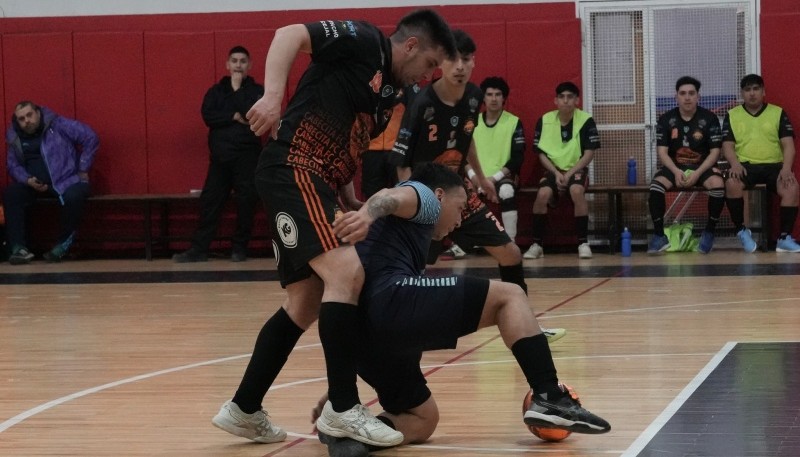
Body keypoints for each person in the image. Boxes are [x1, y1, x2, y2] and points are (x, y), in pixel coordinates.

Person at [210, 10, 456, 449]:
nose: (429, 76)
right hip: (293, 167)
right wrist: (271, 96)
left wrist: (350, 196)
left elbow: (348, 141)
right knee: (347, 273)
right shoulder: (363, 40)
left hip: (319, 181)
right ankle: (344, 406)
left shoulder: (391, 93)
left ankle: (243, 408)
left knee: (305, 302)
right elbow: (289, 34)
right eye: (430, 63)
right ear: (412, 45)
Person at [315, 162, 611, 457]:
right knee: (510, 295)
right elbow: (388, 196)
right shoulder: (426, 198)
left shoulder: (402, 233)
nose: (459, 221)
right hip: (391, 302)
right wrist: (366, 213)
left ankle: (351, 439)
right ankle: (549, 396)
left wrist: (341, 387)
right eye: (460, 208)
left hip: (366, 340)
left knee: (423, 419)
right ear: (441, 196)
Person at [391, 30, 565, 343]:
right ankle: (398, 327)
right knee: (412, 268)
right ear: (439, 63)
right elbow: (402, 161)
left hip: (460, 193)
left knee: (511, 253)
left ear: (473, 62)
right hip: (425, 197)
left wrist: (481, 178)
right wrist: (412, 202)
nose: (459, 65)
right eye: (452, 59)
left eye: (466, 59)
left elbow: (466, 138)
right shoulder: (422, 103)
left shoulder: (473, 96)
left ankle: (525, 325)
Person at [173, 46, 264, 263]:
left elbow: (252, 114)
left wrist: (238, 89)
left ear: (249, 65)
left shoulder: (257, 91)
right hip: (220, 159)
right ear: (227, 64)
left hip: (247, 157)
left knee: (246, 202)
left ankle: (239, 248)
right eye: (234, 61)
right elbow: (208, 116)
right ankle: (199, 249)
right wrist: (233, 116)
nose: (238, 65)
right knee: (210, 201)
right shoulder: (215, 92)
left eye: (243, 61)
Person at [4, 101, 99, 264]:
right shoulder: (15, 137)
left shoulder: (58, 124)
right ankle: (19, 248)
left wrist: (83, 167)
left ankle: (62, 245)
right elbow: (12, 165)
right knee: (11, 194)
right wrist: (27, 179)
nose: (26, 121)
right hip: (35, 185)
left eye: (29, 115)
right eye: (21, 118)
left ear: (38, 113)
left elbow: (91, 137)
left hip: (67, 180)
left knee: (74, 197)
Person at [722, 74, 800, 253]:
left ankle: (784, 238)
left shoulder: (777, 113)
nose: (752, 94)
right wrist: (734, 163)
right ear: (742, 93)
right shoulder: (732, 115)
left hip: (774, 166)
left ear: (763, 92)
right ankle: (741, 230)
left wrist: (786, 169)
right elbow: (727, 145)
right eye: (747, 90)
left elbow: (789, 146)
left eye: (756, 89)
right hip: (745, 166)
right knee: (732, 183)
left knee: (792, 187)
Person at [646, 76, 725, 255]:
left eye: (691, 93)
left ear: (698, 97)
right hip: (675, 167)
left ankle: (709, 232)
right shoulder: (666, 119)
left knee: (718, 185)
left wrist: (697, 174)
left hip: (702, 167)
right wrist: (674, 171)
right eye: (683, 93)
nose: (687, 97)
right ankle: (659, 236)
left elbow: (715, 152)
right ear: (676, 97)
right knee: (655, 186)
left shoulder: (710, 118)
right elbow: (662, 152)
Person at [523, 81, 600, 260]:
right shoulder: (545, 120)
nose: (566, 101)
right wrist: (557, 173)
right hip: (553, 170)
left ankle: (583, 243)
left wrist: (570, 173)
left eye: (570, 97)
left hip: (577, 169)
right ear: (555, 100)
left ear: (577, 100)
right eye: (562, 97)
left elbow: (589, 153)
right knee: (542, 195)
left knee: (576, 190)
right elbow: (541, 154)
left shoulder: (586, 120)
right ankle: (536, 244)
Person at [472, 76, 525, 244]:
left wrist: (492, 180)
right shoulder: (472, 122)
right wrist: (476, 178)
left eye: (498, 94)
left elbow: (517, 158)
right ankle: (462, 244)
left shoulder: (514, 122)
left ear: (504, 98)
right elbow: (462, 154)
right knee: (460, 193)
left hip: (502, 176)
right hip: (476, 176)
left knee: (506, 191)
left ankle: (510, 241)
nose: (493, 99)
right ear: (483, 98)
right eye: (489, 94)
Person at [359, 85, 420, 199]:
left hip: (397, 150)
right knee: (371, 196)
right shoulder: (371, 80)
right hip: (371, 149)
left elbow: (415, 113)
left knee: (402, 195)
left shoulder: (405, 82)